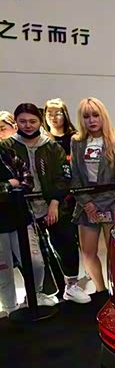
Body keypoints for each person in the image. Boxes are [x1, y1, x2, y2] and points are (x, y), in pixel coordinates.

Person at [2, 103, 81, 304]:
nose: (28, 125)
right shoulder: (7, 147)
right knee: (34, 256)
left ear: (40, 121)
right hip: (22, 209)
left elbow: (63, 177)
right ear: (16, 122)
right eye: (23, 121)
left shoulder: (52, 146)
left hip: (54, 205)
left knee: (66, 243)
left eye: (32, 121)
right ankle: (40, 293)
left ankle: (71, 286)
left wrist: (54, 203)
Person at [71, 97, 115, 295]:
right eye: (86, 116)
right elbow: (75, 177)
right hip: (85, 204)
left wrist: (99, 205)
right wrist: (87, 203)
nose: (91, 120)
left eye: (95, 115)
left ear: (103, 116)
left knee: (114, 253)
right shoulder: (76, 142)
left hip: (110, 205)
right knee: (88, 252)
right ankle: (100, 292)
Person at [0, 135, 45, 316]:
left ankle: (34, 297)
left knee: (36, 263)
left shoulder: (6, 154)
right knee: (3, 271)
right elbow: (16, 183)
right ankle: (10, 309)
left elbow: (28, 181)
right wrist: (9, 185)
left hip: (20, 218)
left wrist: (7, 188)